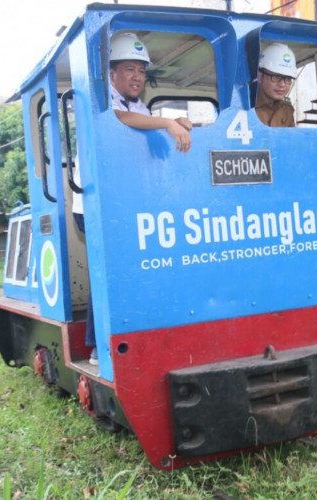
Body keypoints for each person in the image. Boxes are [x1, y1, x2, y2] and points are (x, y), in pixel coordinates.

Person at [72, 32, 194, 365]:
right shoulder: (104, 100)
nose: (137, 76)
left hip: (123, 202)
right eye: (129, 69)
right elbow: (121, 121)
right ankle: (97, 344)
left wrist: (176, 122)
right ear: (112, 74)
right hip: (92, 205)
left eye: (141, 70)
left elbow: (142, 122)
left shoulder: (139, 104)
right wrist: (167, 122)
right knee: (107, 270)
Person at [255, 42, 297, 128]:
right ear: (260, 77)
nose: (282, 84)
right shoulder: (247, 108)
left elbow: (292, 140)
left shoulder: (287, 109)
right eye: (276, 77)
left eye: (287, 78)